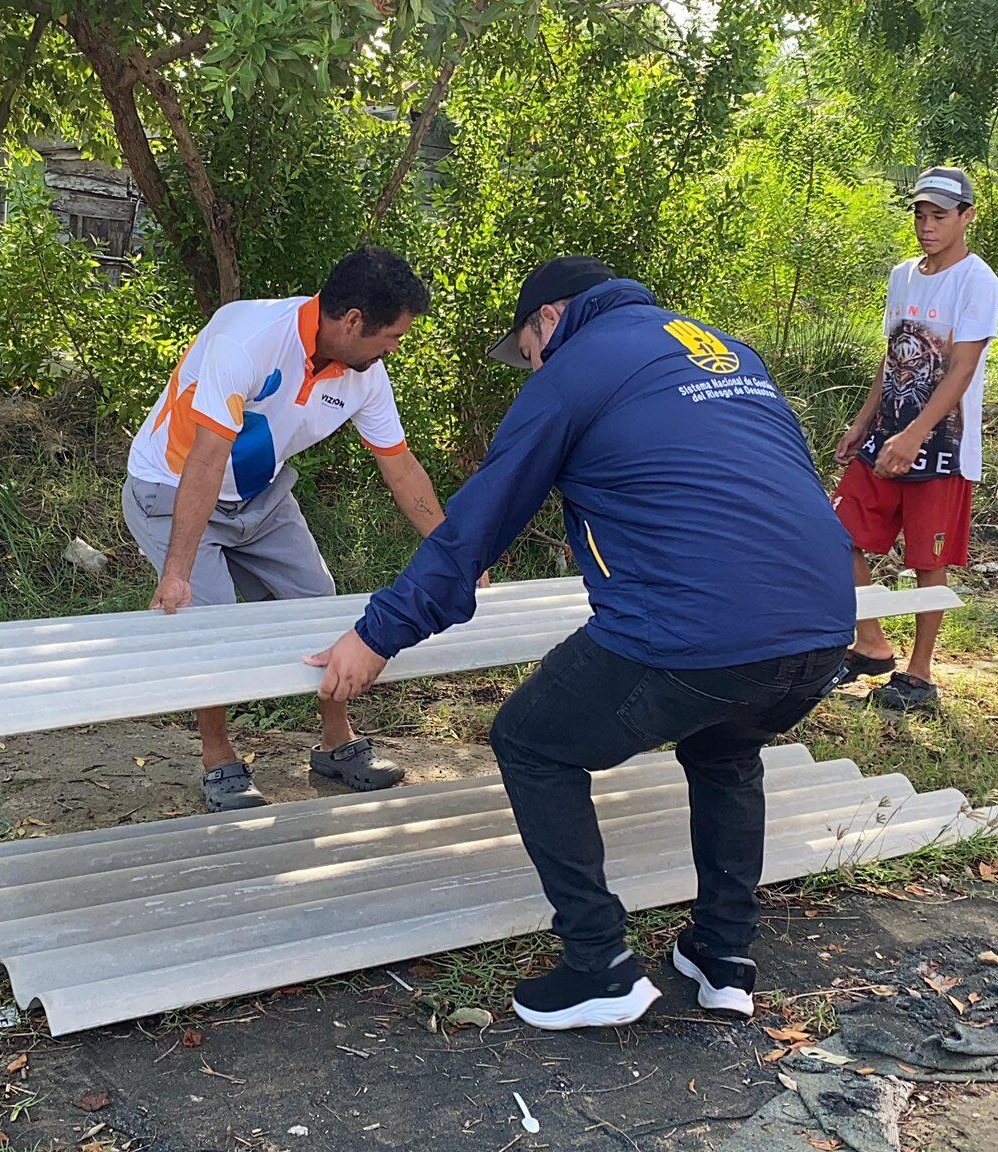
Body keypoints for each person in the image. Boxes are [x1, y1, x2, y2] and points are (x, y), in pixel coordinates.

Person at [307, 257, 855, 1030]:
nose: (531, 365)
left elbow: (475, 527)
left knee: (532, 741)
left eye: (527, 349)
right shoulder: (726, 351)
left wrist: (376, 636)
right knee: (726, 749)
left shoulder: (573, 372)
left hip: (692, 632)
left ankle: (598, 964)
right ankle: (724, 954)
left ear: (549, 320)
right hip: (824, 630)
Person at [123, 245, 463, 812]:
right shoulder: (250, 338)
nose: (394, 348)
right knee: (209, 626)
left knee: (321, 608)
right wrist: (177, 572)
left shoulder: (364, 375)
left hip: (260, 495)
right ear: (353, 321)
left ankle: (336, 744)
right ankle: (219, 760)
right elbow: (206, 459)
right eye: (393, 335)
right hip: (173, 487)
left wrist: (458, 554)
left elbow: (401, 467)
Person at [831, 165, 998, 713]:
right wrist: (864, 422)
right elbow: (891, 357)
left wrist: (916, 435)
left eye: (940, 216)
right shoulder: (903, 275)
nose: (927, 226)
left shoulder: (977, 280)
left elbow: (962, 368)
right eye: (921, 215)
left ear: (966, 217)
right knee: (839, 532)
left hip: (942, 443)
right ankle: (871, 642)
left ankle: (920, 674)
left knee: (929, 558)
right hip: (885, 436)